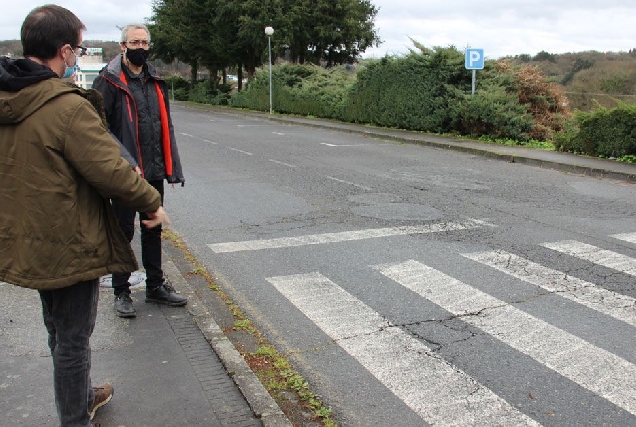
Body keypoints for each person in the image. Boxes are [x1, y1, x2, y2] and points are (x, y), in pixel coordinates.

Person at [0, 5, 170, 426]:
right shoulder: (66, 106)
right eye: (77, 47)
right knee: (74, 339)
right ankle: (76, 416)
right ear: (63, 51)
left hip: (25, 234)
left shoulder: (9, 98)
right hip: (68, 237)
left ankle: (81, 391)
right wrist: (151, 202)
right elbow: (109, 169)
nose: (77, 55)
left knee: (58, 328)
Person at [93, 23, 187, 318]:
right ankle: (121, 291)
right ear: (123, 46)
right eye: (135, 42)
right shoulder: (107, 81)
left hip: (153, 170)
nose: (141, 48)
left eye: (145, 43)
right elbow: (99, 128)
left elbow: (164, 126)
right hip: (124, 173)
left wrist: (172, 168)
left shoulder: (156, 80)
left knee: (153, 228)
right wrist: (124, 161)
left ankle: (155, 286)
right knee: (122, 233)